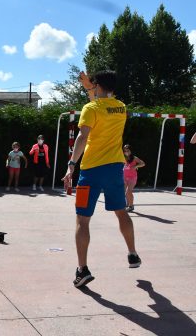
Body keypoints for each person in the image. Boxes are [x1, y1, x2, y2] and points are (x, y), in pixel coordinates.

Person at [62, 70, 141, 288]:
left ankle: (82, 269)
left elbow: (82, 136)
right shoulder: (121, 107)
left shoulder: (91, 108)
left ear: (97, 85)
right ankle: (132, 253)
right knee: (121, 212)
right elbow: (102, 104)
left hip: (91, 170)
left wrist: (71, 165)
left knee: (82, 220)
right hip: (115, 167)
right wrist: (90, 87)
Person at [123, 145, 145, 212]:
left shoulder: (134, 158)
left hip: (132, 178)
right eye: (125, 151)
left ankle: (131, 206)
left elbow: (143, 163)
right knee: (125, 192)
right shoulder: (123, 158)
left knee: (128, 192)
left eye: (128, 150)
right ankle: (127, 205)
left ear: (131, 151)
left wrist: (136, 166)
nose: (126, 152)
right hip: (124, 177)